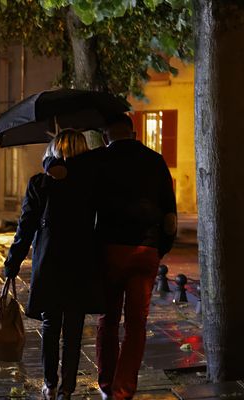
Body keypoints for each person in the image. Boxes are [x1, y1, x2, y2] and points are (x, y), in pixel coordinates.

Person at [4, 129, 103, 400]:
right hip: (82, 261)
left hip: (50, 262)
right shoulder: (92, 182)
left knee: (51, 326)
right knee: (74, 329)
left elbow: (26, 227)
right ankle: (67, 388)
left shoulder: (41, 184)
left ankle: (50, 383)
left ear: (53, 152)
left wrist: (12, 262)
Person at [93, 114, 177, 400]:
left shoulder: (98, 162)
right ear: (135, 132)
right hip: (145, 250)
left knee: (108, 320)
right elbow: (170, 215)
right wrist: (159, 248)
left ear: (106, 136)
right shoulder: (154, 161)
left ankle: (106, 384)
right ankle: (124, 389)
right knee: (136, 324)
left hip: (110, 250)